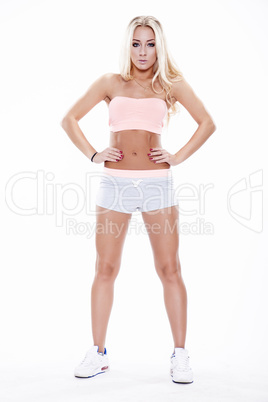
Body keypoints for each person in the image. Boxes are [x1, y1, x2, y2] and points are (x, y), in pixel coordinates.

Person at [61, 15, 216, 384]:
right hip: (114, 183)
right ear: (127, 45)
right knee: (105, 268)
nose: (142, 51)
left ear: (158, 46)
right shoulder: (110, 82)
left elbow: (207, 122)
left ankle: (180, 354)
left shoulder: (170, 85)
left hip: (156, 184)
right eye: (136, 43)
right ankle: (98, 353)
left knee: (169, 269)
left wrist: (176, 156)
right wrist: (94, 154)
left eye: (149, 44)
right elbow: (69, 119)